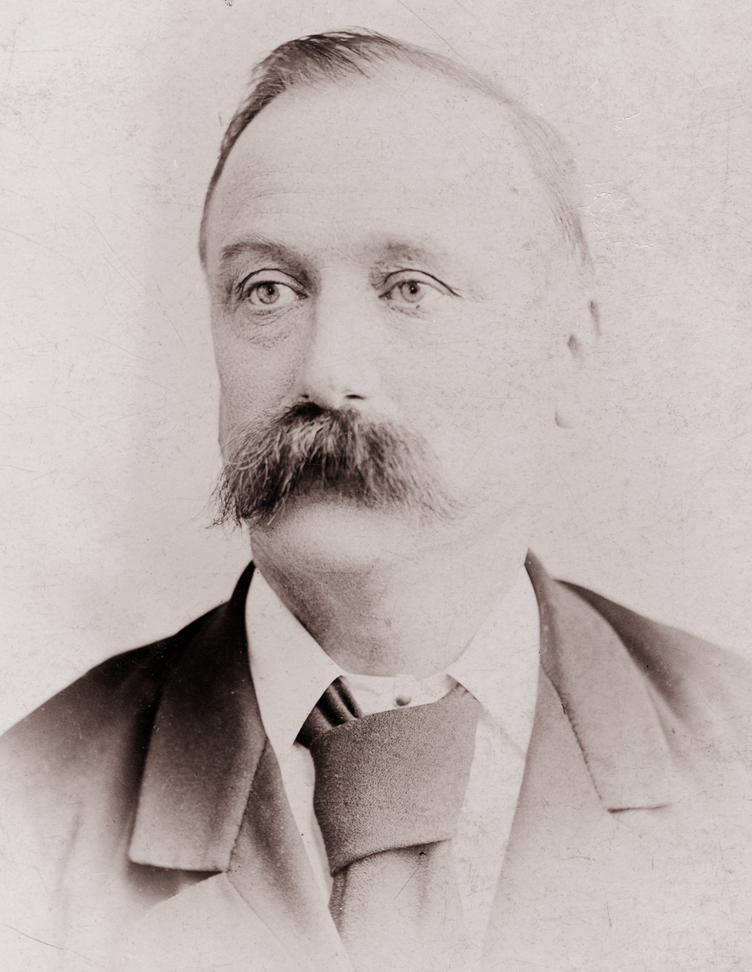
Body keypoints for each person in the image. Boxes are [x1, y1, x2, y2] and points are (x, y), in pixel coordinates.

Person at [1, 29, 751, 972]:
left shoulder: (736, 756)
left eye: (410, 289)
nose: (326, 372)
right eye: (267, 290)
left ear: (566, 354)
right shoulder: (30, 806)